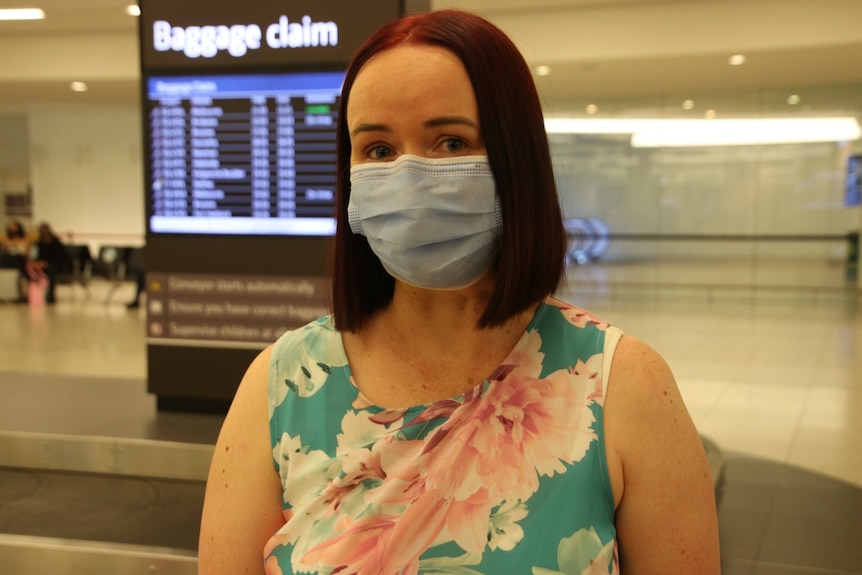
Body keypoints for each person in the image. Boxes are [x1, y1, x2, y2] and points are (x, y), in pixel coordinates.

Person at [198, 10, 720, 575]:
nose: (409, 176)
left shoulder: (621, 386)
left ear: (516, 161)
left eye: (450, 141)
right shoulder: (282, 386)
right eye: (377, 150)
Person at [27, 222, 69, 304]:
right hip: (43, 264)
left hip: (57, 264)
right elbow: (37, 256)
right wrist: (37, 262)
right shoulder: (39, 243)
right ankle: (33, 295)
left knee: (51, 270)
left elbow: (61, 257)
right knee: (30, 269)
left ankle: (51, 295)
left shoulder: (56, 243)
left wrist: (47, 262)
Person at [1, 220, 30, 301]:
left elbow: (27, 255)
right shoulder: (6, 241)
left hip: (21, 261)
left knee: (18, 257)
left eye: (14, 227)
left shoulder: (26, 240)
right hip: (9, 261)